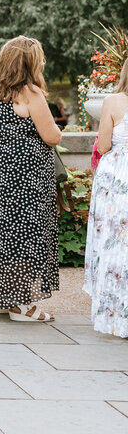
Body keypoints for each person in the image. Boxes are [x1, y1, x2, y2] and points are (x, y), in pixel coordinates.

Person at [0, 36, 62, 322]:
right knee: (25, 234)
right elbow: (51, 135)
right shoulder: (30, 93)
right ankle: (22, 305)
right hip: (24, 177)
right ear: (30, 63)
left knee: (3, 233)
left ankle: (6, 296)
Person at [85, 60, 128, 337]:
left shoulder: (113, 101)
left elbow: (103, 145)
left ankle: (116, 316)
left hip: (117, 178)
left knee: (115, 240)